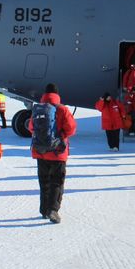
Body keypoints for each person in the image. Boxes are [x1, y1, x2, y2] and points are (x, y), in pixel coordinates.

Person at [30, 83, 77, 224]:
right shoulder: (63, 109)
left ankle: (44, 210)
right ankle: (53, 210)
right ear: (57, 94)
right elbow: (71, 129)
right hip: (58, 153)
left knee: (44, 181)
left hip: (40, 152)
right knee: (56, 182)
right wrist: (60, 137)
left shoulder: (38, 109)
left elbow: (31, 127)